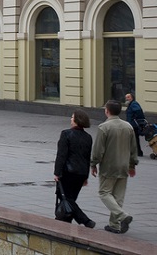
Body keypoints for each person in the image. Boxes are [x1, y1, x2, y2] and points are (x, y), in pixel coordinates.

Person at [90, 100, 138, 234]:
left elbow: (98, 149)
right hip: (124, 165)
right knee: (118, 196)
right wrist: (132, 164)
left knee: (104, 192)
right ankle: (114, 225)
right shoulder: (128, 126)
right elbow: (134, 148)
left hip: (109, 166)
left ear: (107, 110)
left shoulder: (104, 127)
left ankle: (122, 216)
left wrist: (93, 164)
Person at [53, 109, 95, 228]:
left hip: (68, 172)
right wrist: (85, 176)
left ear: (77, 120)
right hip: (81, 173)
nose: (71, 119)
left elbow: (61, 155)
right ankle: (66, 222)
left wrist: (57, 172)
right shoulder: (88, 137)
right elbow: (87, 157)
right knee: (70, 199)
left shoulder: (66, 134)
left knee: (65, 197)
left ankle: (86, 220)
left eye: (72, 117)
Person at [125, 93, 146, 157]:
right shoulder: (131, 104)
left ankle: (138, 152)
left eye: (128, 97)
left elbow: (139, 112)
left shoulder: (134, 104)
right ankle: (136, 152)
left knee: (134, 138)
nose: (126, 99)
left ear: (132, 98)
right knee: (133, 138)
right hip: (131, 124)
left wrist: (138, 120)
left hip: (134, 124)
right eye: (126, 97)